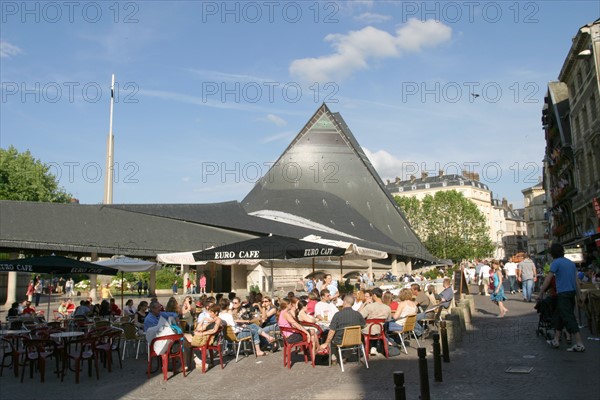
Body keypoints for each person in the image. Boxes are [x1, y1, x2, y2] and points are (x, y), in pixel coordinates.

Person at [539, 244, 585, 352]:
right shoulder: (570, 263)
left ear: (553, 254)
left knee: (569, 317)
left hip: (563, 294)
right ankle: (556, 340)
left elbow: (548, 279)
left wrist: (541, 291)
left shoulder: (556, 263)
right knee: (559, 315)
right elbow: (576, 281)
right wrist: (579, 295)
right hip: (571, 293)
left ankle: (579, 343)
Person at [359, 287, 391, 356]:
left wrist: (364, 304)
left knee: (361, 328)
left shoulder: (369, 306)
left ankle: (363, 349)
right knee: (375, 328)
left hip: (369, 329)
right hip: (380, 329)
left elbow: (360, 316)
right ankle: (373, 347)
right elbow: (388, 319)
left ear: (374, 295)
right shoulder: (387, 307)